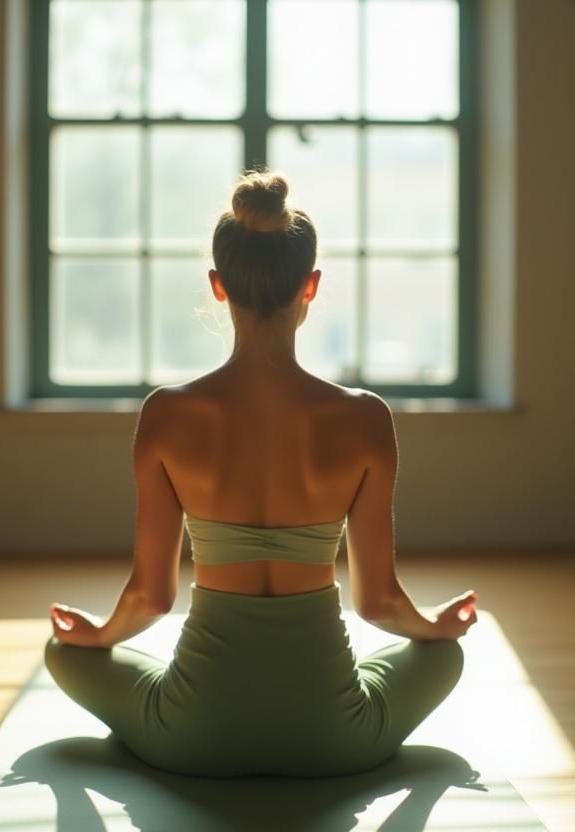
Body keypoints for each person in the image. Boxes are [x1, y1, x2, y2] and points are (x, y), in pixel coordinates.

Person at [44, 168, 478, 777]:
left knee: (64, 652)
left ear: (218, 287)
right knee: (444, 656)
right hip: (336, 738)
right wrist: (434, 626)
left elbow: (150, 597)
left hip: (192, 735)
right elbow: (378, 603)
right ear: (312, 285)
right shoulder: (366, 417)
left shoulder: (166, 414)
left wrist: (96, 636)